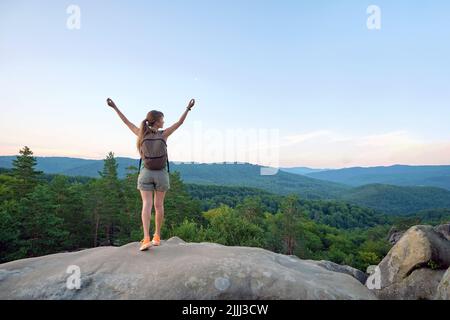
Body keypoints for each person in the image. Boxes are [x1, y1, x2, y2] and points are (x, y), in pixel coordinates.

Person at [107, 97, 195, 251]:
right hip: (161, 173)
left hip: (145, 173)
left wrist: (114, 107)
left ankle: (146, 238)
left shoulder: (141, 134)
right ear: (157, 121)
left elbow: (126, 122)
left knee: (146, 205)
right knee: (159, 205)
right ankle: (157, 236)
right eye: (162, 119)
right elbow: (179, 123)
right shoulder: (163, 134)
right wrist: (188, 108)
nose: (164, 122)